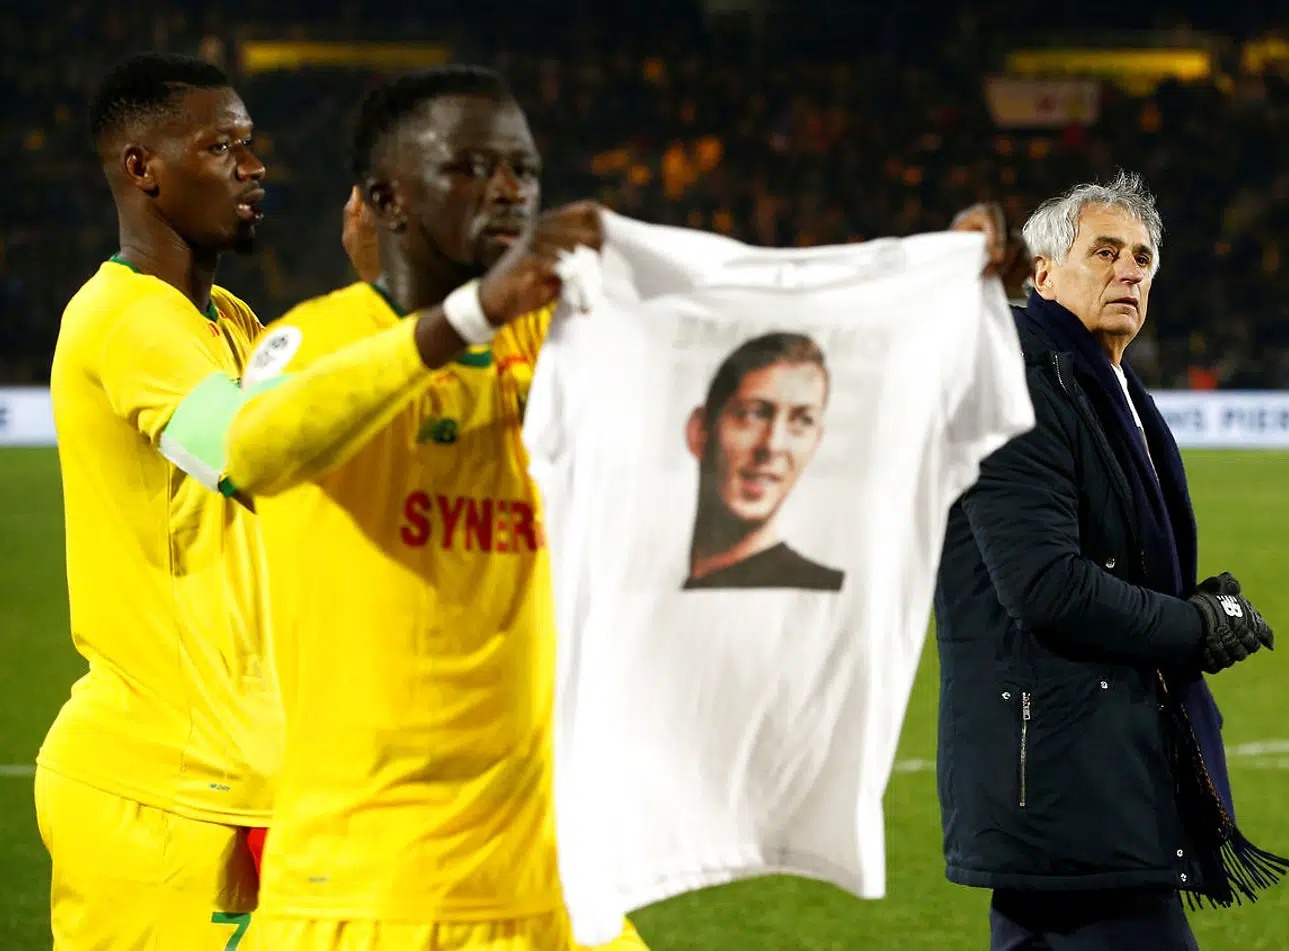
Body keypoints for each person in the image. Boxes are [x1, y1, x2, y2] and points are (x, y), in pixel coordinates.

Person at [217, 65, 647, 951]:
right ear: (388, 198)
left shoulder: (555, 345)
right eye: (471, 167)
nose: (508, 190)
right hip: (370, 895)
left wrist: (931, 278)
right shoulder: (319, 339)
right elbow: (253, 450)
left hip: (549, 891)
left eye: (523, 171)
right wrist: (468, 315)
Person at [933, 171, 1289, 951]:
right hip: (1068, 784)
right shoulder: (1021, 383)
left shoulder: (1103, 386)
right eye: (1105, 251)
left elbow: (1095, 563)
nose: (1129, 269)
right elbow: (1046, 585)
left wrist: (1186, 603)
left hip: (1063, 777)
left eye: (1143, 256)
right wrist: (1191, 627)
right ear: (1042, 273)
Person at [37, 52, 280, 951]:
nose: (254, 168)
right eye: (223, 147)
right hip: (156, 792)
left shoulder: (231, 321)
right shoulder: (127, 317)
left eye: (251, 147)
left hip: (235, 781)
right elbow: (261, 458)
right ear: (143, 169)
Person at [683, 332, 844, 591]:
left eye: (802, 421)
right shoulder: (633, 580)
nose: (772, 445)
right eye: (754, 414)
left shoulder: (826, 590)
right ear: (699, 430)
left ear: (816, 442)